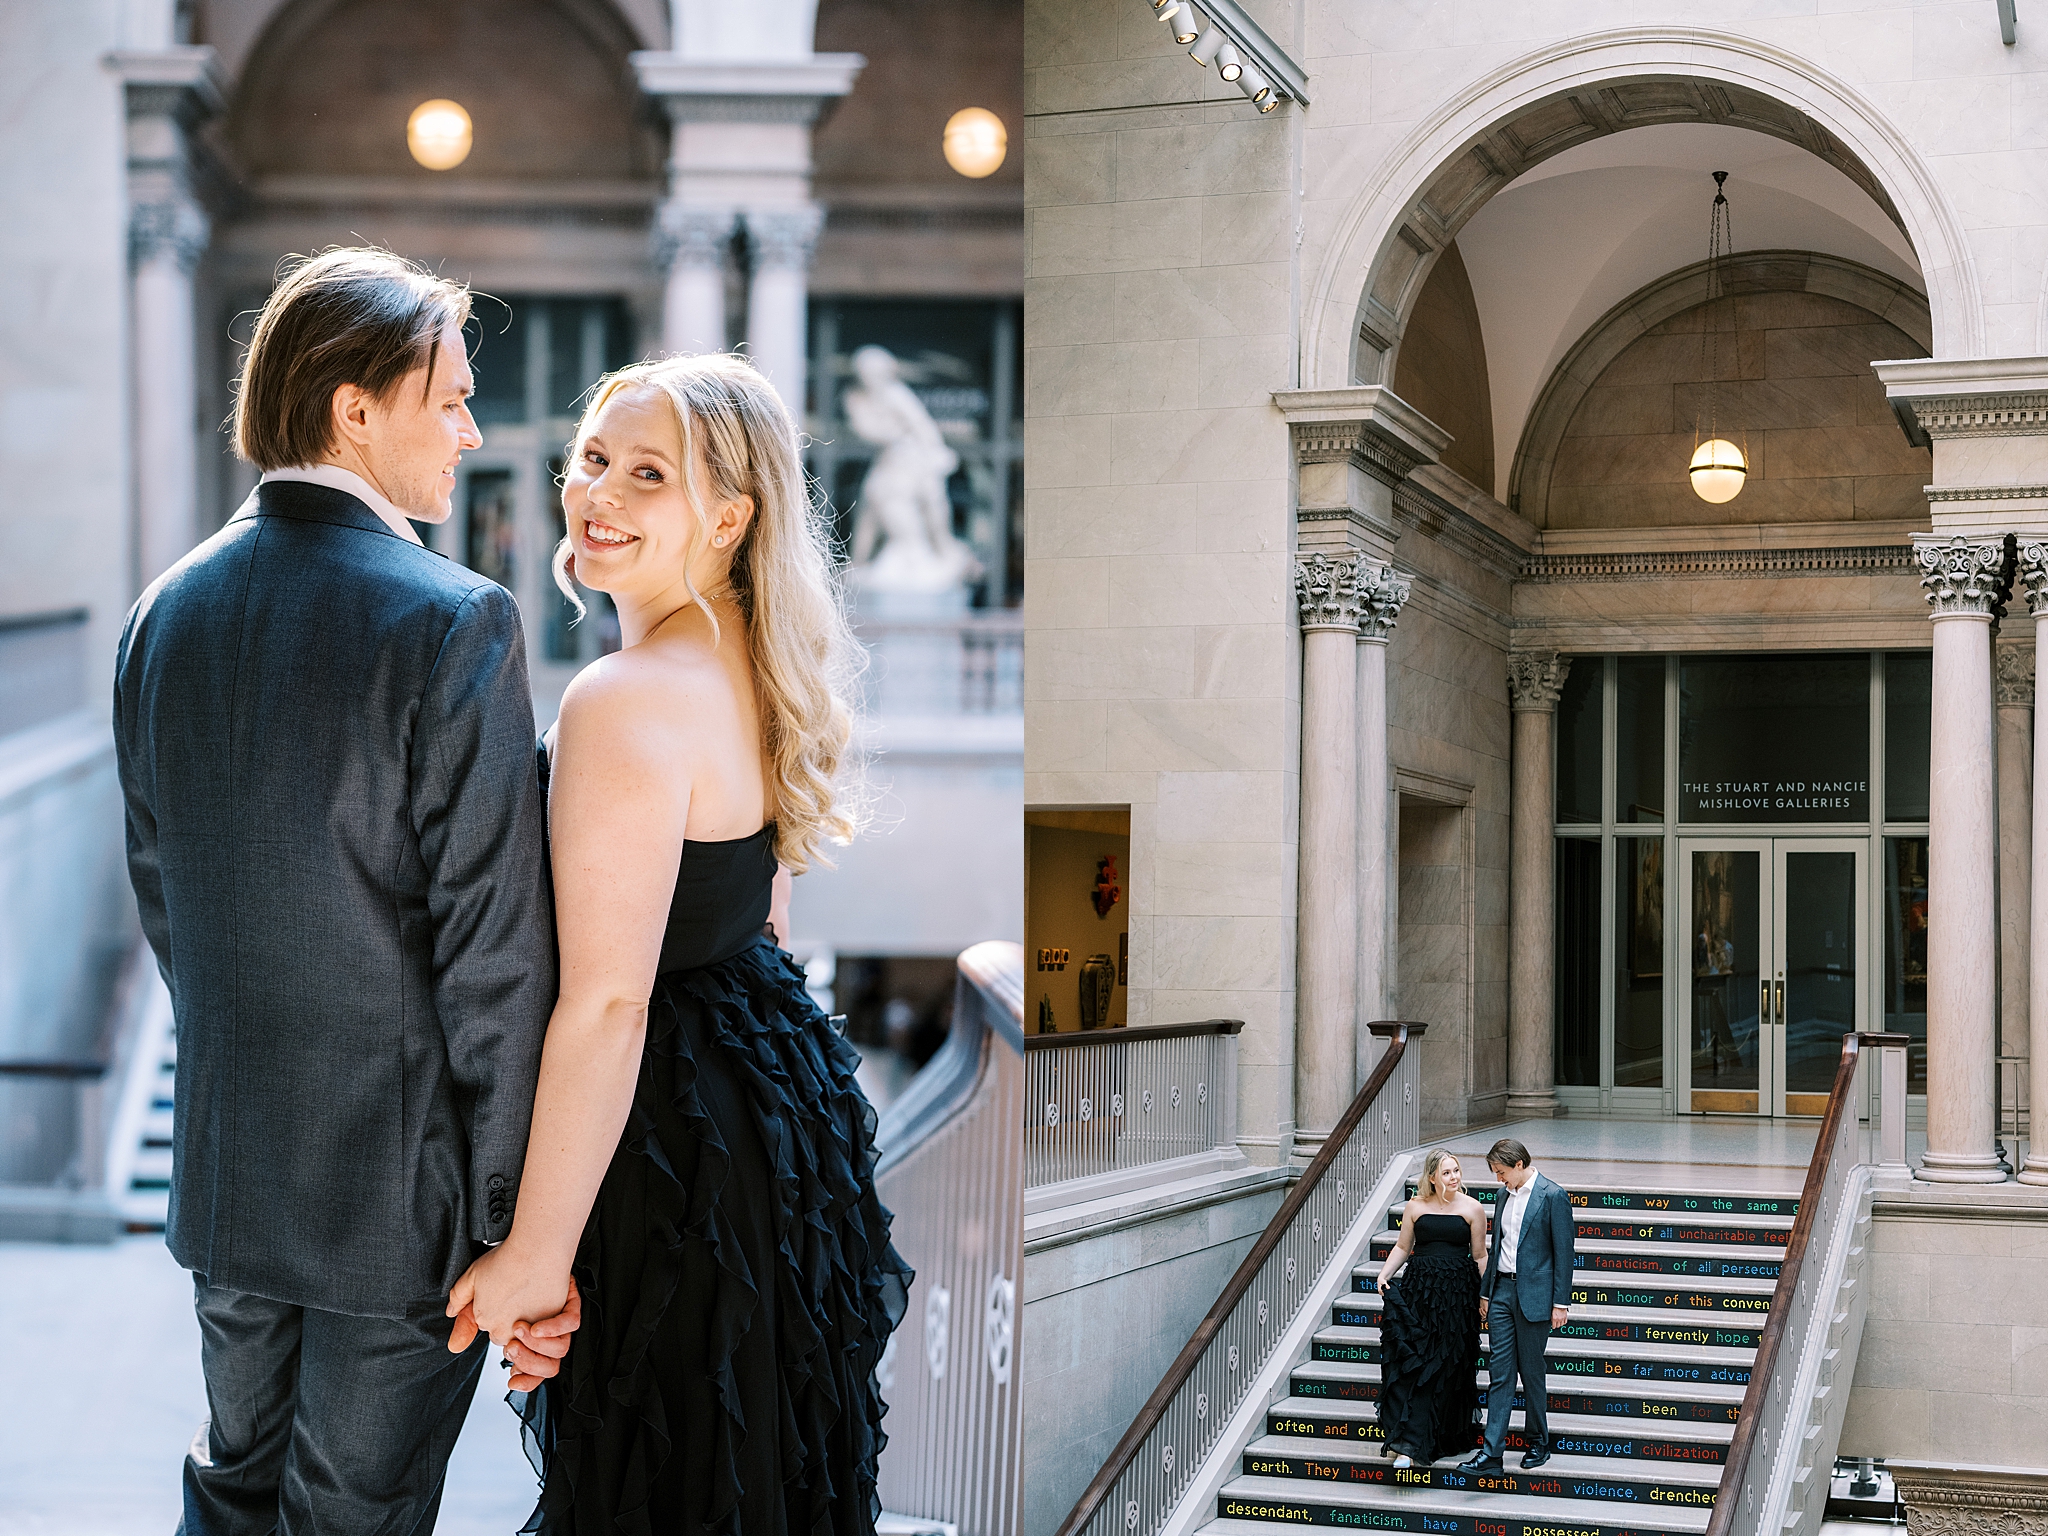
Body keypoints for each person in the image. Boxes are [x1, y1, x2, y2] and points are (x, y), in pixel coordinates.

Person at [113, 247, 581, 1534]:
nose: (472, 431)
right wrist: (514, 1225)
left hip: (227, 1179)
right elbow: (493, 954)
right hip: (407, 1210)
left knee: (231, 1493)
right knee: (351, 1518)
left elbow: (169, 905)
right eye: (448, 399)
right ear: (353, 407)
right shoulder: (455, 621)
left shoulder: (162, 615)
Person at [445, 352, 914, 1533]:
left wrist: (535, 1259)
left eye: (646, 474)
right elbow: (764, 913)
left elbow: (608, 1004)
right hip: (773, 1122)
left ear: (727, 514)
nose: (597, 494)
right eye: (593, 460)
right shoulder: (761, 669)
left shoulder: (624, 695)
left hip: (675, 1146)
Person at [1460, 1138, 1577, 1476]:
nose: (1498, 1179)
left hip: (1536, 1297)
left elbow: (1564, 1254)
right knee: (1500, 1372)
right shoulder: (1502, 1195)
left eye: (1501, 1172)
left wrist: (1560, 1303)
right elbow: (1497, 1249)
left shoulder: (1553, 1196)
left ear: (1519, 1165)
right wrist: (1486, 1292)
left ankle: (1539, 1439)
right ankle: (1491, 1454)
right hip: (1500, 1292)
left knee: (1531, 1371)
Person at [1373, 1149, 1486, 1467]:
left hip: (1456, 1296)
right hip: (1419, 1292)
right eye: (1448, 1172)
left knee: (1445, 1365)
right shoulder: (1415, 1206)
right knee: (1417, 1364)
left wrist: (1485, 1296)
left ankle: (1421, 1439)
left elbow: (1479, 1256)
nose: (1454, 1177)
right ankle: (1408, 1438)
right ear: (1433, 1176)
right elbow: (1402, 1246)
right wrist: (1384, 1274)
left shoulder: (1473, 1208)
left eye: (1457, 1170)